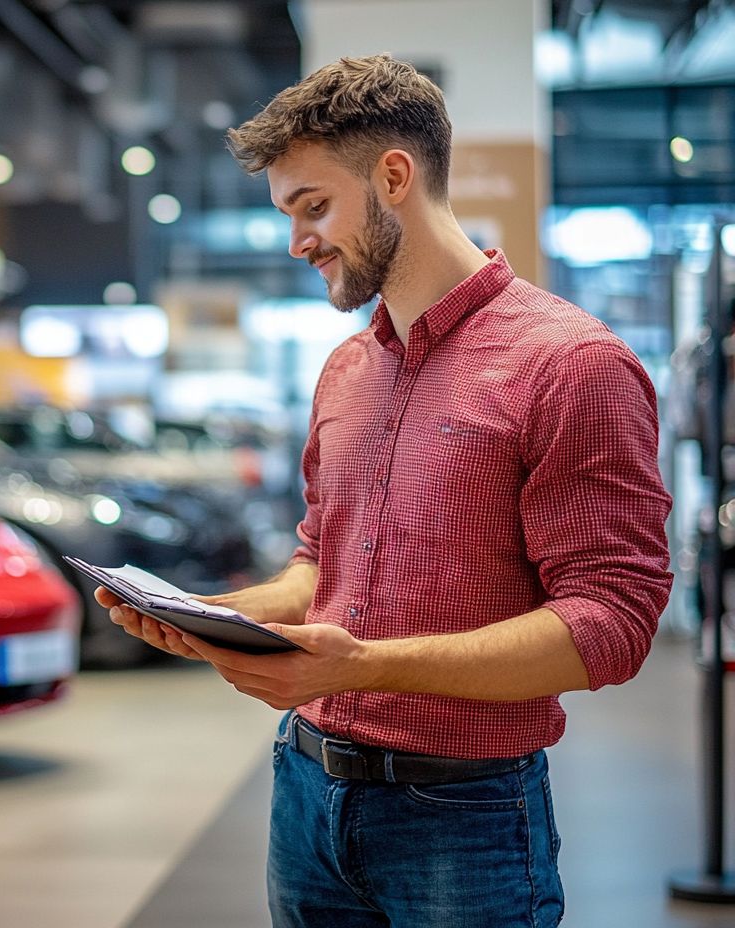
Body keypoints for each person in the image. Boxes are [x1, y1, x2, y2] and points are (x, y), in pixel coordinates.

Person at [96, 53, 672, 928]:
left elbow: (613, 619)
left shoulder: (571, 365)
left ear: (394, 176)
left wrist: (366, 664)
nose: (297, 242)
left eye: (313, 207)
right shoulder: (345, 372)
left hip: (464, 819)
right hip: (304, 791)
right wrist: (221, 616)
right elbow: (322, 561)